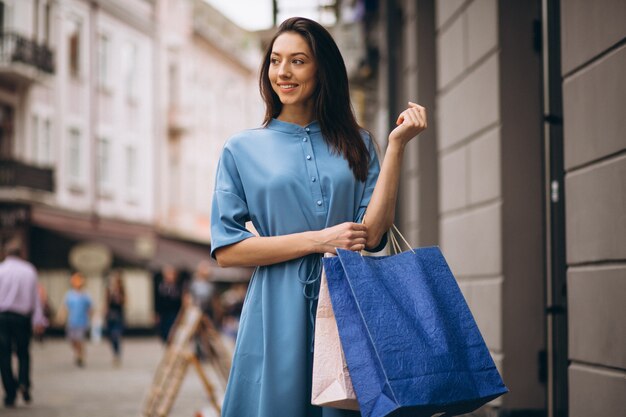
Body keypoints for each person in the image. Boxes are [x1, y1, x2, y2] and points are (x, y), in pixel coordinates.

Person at [210, 17, 427, 417]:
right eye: (275, 61)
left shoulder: (358, 143)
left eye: (297, 61)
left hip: (349, 306)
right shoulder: (241, 149)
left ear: (322, 68)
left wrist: (396, 147)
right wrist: (319, 240)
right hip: (275, 310)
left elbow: (374, 236)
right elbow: (227, 250)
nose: (283, 73)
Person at [0, 236, 47, 407]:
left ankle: (10, 391)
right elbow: (35, 299)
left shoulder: (1, 270)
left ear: (5, 253)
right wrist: (39, 320)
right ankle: (24, 383)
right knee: (23, 353)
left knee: (3, 356)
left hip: (3, 317)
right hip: (21, 318)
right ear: (21, 253)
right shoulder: (29, 270)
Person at [62, 272, 93, 367]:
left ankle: (80, 356)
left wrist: (91, 318)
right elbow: (65, 307)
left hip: (82, 321)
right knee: (72, 340)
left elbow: (90, 308)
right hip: (72, 321)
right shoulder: (69, 294)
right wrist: (61, 317)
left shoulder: (85, 295)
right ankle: (78, 352)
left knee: (79, 339)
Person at [154, 265, 183, 343]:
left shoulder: (177, 286)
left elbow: (179, 301)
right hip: (164, 313)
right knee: (164, 331)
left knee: (174, 331)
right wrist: (156, 313)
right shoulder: (161, 286)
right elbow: (157, 300)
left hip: (174, 313)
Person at [104, 270, 125, 366]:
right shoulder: (108, 290)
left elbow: (125, 302)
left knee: (116, 335)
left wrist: (118, 297)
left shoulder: (121, 290)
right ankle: (114, 353)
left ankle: (117, 354)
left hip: (118, 316)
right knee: (111, 336)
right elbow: (106, 304)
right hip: (110, 316)